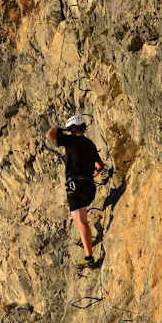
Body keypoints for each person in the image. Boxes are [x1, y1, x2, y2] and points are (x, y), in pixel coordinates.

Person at [46, 114, 104, 265]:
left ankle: (89, 257)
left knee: (80, 221)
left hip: (75, 187)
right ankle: (87, 245)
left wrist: (59, 128)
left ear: (72, 129)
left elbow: (50, 135)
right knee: (79, 220)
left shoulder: (71, 140)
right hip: (89, 187)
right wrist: (95, 173)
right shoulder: (90, 143)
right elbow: (100, 165)